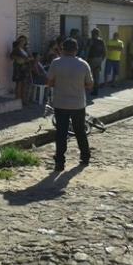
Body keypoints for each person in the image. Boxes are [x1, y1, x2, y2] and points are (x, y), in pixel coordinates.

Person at [47, 38, 94, 171]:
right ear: (76, 49)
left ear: (62, 49)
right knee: (80, 131)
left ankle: (60, 162)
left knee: (61, 133)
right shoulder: (83, 64)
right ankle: (85, 157)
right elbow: (90, 85)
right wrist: (79, 85)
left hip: (60, 103)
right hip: (78, 104)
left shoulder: (56, 63)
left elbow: (49, 83)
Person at [10, 35, 31, 104]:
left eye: (24, 40)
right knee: (18, 84)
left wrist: (27, 59)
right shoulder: (16, 49)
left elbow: (31, 57)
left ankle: (24, 100)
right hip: (18, 68)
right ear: (18, 41)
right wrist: (18, 58)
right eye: (21, 40)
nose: (22, 42)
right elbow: (11, 56)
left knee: (24, 84)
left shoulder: (26, 49)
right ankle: (17, 100)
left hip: (25, 69)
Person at [86, 28, 106, 96]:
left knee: (88, 75)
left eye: (92, 33)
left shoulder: (91, 40)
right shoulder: (101, 41)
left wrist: (86, 59)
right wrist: (101, 60)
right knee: (96, 76)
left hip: (92, 59)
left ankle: (89, 89)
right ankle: (95, 91)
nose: (92, 34)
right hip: (99, 59)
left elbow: (87, 50)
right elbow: (104, 52)